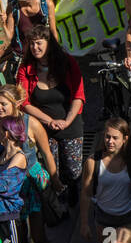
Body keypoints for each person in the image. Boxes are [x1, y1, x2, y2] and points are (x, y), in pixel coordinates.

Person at [16, 28, 85, 203]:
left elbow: (79, 95)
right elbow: (23, 102)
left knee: (74, 171)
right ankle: (57, 205)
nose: (34, 47)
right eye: (31, 43)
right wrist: (49, 121)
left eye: (39, 43)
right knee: (52, 171)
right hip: (44, 129)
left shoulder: (68, 63)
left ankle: (76, 202)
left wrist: (67, 121)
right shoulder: (25, 69)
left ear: (49, 44)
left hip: (71, 125)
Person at [80, 117, 131, 243]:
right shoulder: (92, 162)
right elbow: (86, 193)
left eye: (115, 138)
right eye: (107, 137)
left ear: (125, 139)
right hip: (105, 218)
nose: (110, 141)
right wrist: (84, 223)